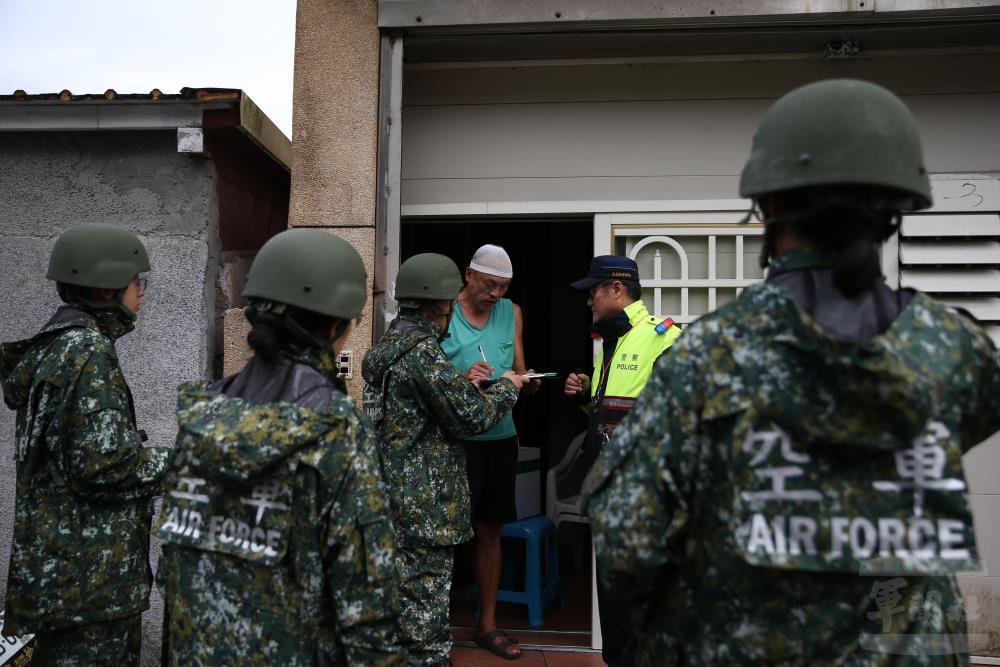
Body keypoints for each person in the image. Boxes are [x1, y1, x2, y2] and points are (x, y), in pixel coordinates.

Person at [584, 79, 1000, 664]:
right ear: (895, 206)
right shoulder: (954, 348)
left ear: (771, 203)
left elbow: (627, 545)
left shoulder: (707, 358)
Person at [157, 229, 404, 665]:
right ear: (336, 325)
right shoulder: (335, 429)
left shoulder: (202, 415)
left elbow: (176, 564)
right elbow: (366, 601)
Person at [0, 223, 170, 664]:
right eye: (137, 281)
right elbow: (104, 465)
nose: (142, 292)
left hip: (66, 575)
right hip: (92, 585)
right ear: (106, 287)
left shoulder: (56, 347)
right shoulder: (87, 352)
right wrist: (186, 460)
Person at [362, 253, 526, 666]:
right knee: (425, 626)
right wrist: (506, 386)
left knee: (401, 604)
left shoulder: (391, 348)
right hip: (423, 505)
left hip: (394, 496)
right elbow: (469, 419)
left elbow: (425, 407)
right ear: (439, 304)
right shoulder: (422, 354)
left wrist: (461, 383)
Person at [562, 254, 681, 666]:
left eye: (593, 291)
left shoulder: (663, 339)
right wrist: (584, 396)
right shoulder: (610, 342)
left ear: (616, 289)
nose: (588, 301)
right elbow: (611, 415)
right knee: (615, 614)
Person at [441, 244, 539, 660]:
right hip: (454, 440)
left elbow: (519, 367)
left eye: (502, 287)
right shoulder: (444, 312)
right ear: (468, 275)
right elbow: (430, 378)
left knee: (490, 531)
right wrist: (464, 378)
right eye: (488, 284)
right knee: (442, 534)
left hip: (500, 437)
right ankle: (432, 624)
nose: (495, 294)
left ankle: (487, 625)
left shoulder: (510, 312)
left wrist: (528, 381)